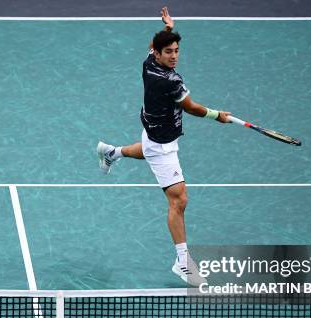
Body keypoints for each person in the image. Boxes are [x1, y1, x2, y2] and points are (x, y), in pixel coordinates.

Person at [97, 7, 231, 286]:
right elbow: (191, 108)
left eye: (176, 50)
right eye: (168, 51)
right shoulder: (171, 81)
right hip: (162, 142)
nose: (173, 56)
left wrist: (168, 28)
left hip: (151, 126)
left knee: (144, 150)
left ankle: (112, 152)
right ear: (158, 54)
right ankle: (182, 262)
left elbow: (152, 44)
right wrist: (217, 115)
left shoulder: (148, 62)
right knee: (179, 200)